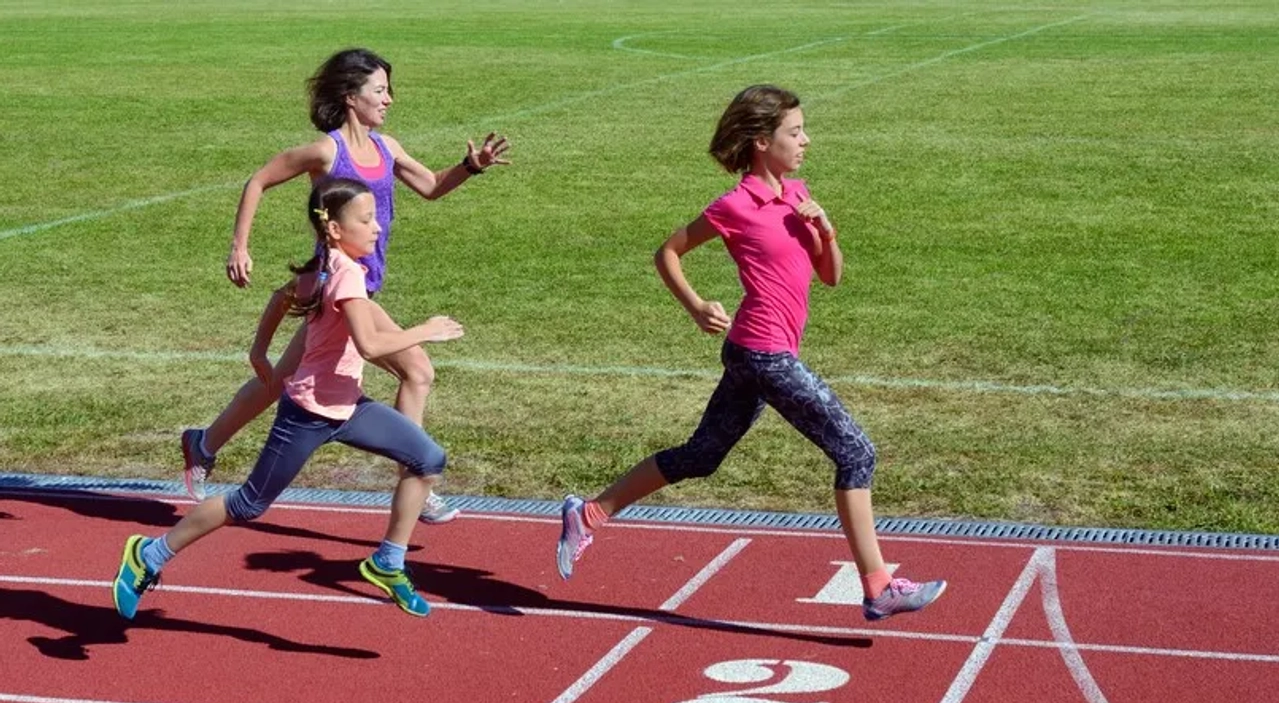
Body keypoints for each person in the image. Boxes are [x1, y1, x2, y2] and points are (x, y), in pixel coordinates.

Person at [555, 85, 945, 622]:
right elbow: (668, 252)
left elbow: (830, 276)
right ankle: (879, 587)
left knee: (701, 456)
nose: (806, 141)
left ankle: (588, 514)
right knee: (857, 453)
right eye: (795, 132)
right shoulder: (734, 206)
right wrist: (696, 306)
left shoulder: (797, 195)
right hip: (764, 354)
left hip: (750, 353)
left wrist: (825, 229)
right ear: (762, 142)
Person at [182, 47, 509, 524]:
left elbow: (432, 186)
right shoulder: (326, 151)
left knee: (283, 380)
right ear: (351, 96)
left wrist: (470, 167)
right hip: (338, 286)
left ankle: (204, 442)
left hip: (357, 287)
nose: (389, 99)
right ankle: (417, 480)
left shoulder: (387, 148)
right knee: (417, 371)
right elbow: (258, 181)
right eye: (380, 90)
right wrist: (239, 246)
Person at [114, 177, 462, 621]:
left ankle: (387, 563)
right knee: (248, 504)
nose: (378, 227)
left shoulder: (324, 267)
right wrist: (426, 331)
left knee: (427, 458)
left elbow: (283, 297)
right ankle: (149, 554)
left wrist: (259, 349)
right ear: (334, 229)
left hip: (348, 408)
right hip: (306, 415)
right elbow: (371, 344)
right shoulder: (346, 277)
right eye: (366, 220)